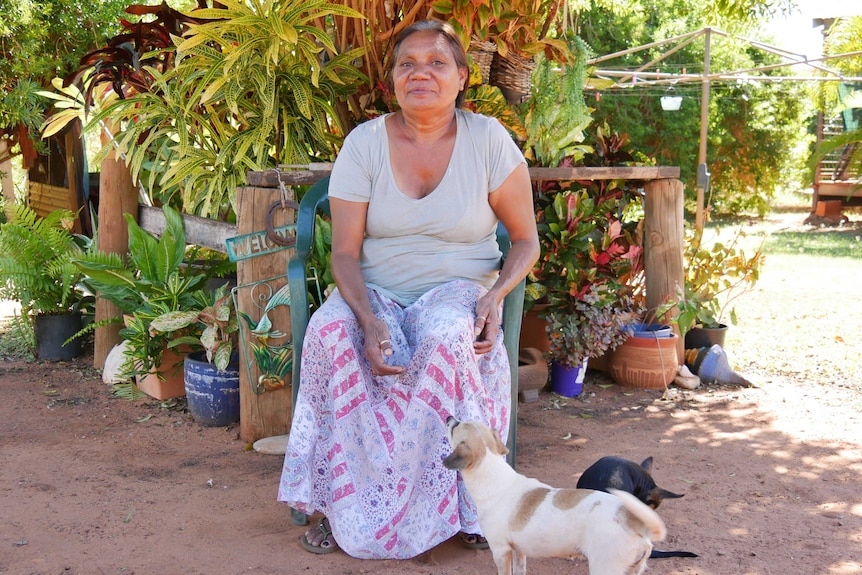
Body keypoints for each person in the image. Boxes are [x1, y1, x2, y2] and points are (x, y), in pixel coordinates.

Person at [277, 19, 539, 560]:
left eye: (437, 63)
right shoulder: (365, 143)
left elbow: (525, 241)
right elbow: (344, 254)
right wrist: (369, 319)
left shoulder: (488, 138)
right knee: (331, 333)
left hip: (459, 287)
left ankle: (468, 505)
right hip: (378, 289)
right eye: (407, 64)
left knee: (446, 335)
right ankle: (337, 503)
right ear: (392, 79)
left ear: (463, 77)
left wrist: (493, 297)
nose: (421, 73)